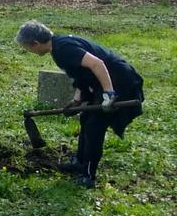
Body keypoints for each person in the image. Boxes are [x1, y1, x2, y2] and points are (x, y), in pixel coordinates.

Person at [16, 21, 144, 188]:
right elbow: (82, 75)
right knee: (86, 118)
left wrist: (109, 94)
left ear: (35, 43)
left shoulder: (64, 49)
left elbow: (97, 64)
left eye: (28, 48)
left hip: (118, 81)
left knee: (94, 126)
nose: (30, 52)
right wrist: (76, 100)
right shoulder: (58, 47)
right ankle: (80, 162)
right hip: (103, 82)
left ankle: (89, 175)